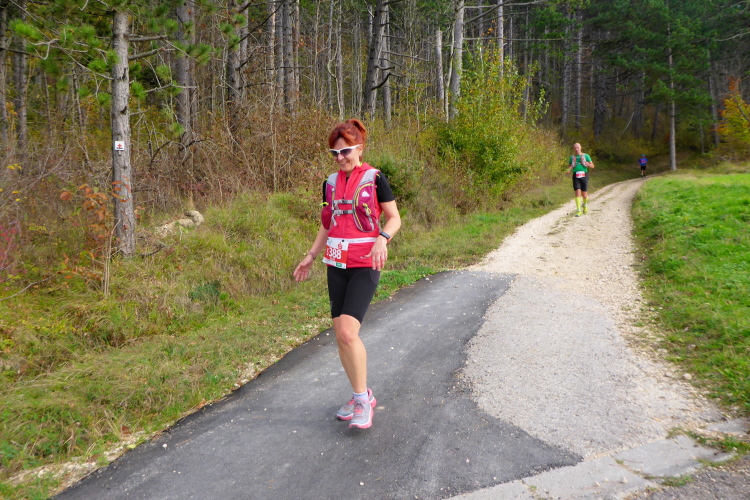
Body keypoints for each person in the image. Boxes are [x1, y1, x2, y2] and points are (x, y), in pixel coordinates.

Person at [293, 119, 401, 430]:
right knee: (340, 336)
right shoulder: (329, 183)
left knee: (348, 334)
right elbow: (327, 224)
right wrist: (311, 256)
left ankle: (363, 401)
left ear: (359, 148)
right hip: (336, 265)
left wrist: (382, 238)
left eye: (345, 151)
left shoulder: (375, 178)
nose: (340, 158)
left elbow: (394, 218)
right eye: (334, 153)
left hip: (365, 264)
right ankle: (359, 395)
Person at [567, 142, 595, 217]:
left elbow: (592, 166)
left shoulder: (586, 156)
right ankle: (578, 210)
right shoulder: (572, 158)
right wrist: (568, 170)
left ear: (580, 148)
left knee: (584, 195)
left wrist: (588, 164)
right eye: (575, 148)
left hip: (584, 175)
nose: (576, 149)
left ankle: (585, 205)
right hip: (576, 175)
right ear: (573, 149)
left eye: (577, 147)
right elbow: (569, 166)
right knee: (577, 192)